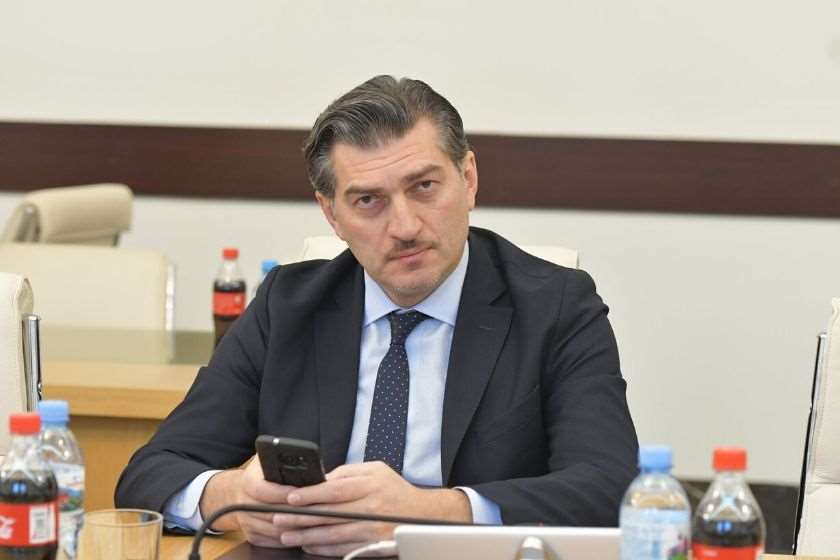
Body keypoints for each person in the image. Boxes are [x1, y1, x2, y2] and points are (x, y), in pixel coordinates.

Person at [116, 75, 639, 557]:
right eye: (369, 200)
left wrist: (432, 514)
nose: (405, 226)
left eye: (424, 187)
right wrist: (233, 496)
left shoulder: (556, 306)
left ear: (468, 178)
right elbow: (150, 473)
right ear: (332, 214)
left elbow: (607, 487)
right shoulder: (289, 306)